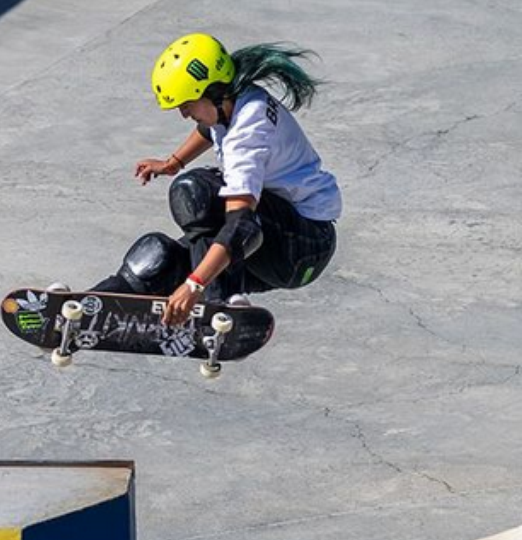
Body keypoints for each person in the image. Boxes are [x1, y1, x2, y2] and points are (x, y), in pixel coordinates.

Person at [91, 32, 341, 327]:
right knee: (158, 258)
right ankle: (86, 309)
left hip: (303, 245)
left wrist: (196, 285)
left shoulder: (247, 136)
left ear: (212, 91)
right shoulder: (233, 101)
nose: (184, 113)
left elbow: (241, 225)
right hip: (275, 238)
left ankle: (218, 306)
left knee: (195, 192)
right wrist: (173, 163)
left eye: (187, 104)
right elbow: (209, 129)